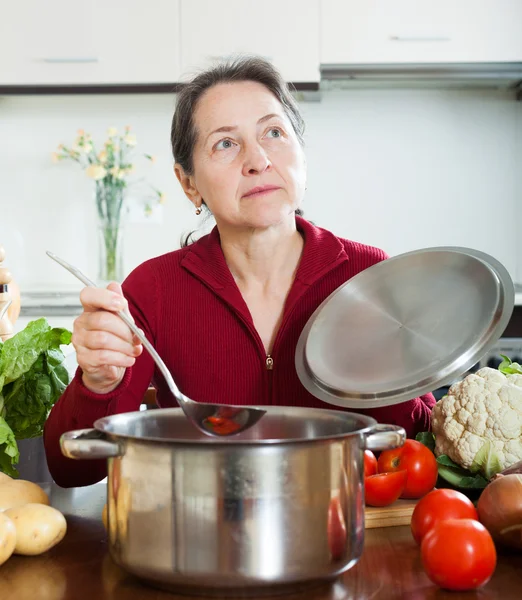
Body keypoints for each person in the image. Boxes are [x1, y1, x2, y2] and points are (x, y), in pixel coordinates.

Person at [43, 56, 435, 487]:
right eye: (225, 143)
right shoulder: (152, 291)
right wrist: (99, 383)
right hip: (201, 536)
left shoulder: (368, 275)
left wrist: (395, 374)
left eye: (274, 132)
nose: (258, 159)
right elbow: (70, 469)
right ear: (188, 182)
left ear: (300, 153)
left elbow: (417, 446)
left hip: (340, 530)